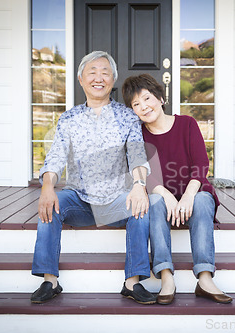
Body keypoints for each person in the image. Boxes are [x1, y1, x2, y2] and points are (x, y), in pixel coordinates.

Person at [31, 51, 156, 305]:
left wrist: (139, 186)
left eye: (105, 72)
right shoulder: (68, 119)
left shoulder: (128, 117)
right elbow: (55, 157)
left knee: (142, 206)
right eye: (92, 72)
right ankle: (49, 280)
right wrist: (47, 185)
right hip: (80, 200)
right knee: (50, 203)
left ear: (113, 80)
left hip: (115, 202)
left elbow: (137, 157)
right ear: (80, 78)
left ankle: (132, 282)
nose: (98, 78)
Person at [122, 74, 232, 305]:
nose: (143, 107)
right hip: (162, 196)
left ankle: (204, 278)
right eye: (136, 104)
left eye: (147, 98)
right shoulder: (138, 135)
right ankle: (165, 275)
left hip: (194, 191)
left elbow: (201, 164)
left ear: (161, 98)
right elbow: (145, 173)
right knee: (153, 201)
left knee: (203, 200)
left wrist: (189, 195)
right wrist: (166, 195)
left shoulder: (187, 124)